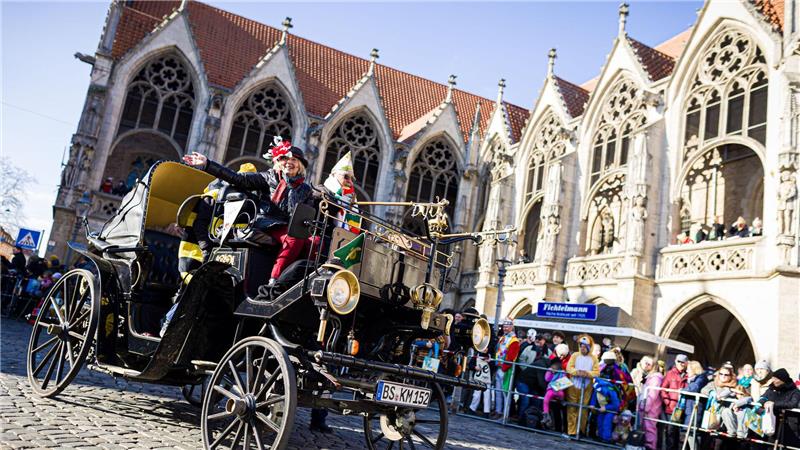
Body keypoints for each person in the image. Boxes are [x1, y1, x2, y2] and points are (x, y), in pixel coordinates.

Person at [182, 141, 317, 286]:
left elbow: (305, 215)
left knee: (315, 242)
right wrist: (207, 164)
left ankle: (306, 281)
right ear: (279, 162)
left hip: (289, 226)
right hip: (268, 224)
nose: (289, 162)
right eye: (285, 158)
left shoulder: (306, 189)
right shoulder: (269, 177)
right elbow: (239, 179)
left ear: (300, 165)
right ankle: (275, 281)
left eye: (294, 160)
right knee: (293, 239)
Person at [565, 334, 599, 436]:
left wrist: (588, 374)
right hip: (573, 385)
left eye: (584, 346)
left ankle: (581, 431)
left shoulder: (594, 359)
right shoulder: (575, 355)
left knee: (583, 410)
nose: (582, 348)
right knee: (572, 408)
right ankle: (571, 431)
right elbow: (569, 368)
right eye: (581, 346)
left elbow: (597, 372)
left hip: (586, 387)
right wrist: (577, 372)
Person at [492, 319, 520, 419]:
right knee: (498, 391)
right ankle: (498, 411)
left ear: (512, 327)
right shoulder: (503, 338)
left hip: (506, 370)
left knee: (505, 392)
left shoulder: (514, 340)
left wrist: (504, 367)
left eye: (507, 326)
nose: (505, 328)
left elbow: (511, 356)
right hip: (499, 367)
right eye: (504, 326)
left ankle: (505, 414)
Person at [660, 354, 688, 449]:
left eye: (683, 362)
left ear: (686, 363)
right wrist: (667, 402)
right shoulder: (670, 373)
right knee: (670, 431)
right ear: (675, 362)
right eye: (679, 361)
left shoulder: (688, 374)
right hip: (672, 408)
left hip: (683, 408)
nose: (681, 364)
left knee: (678, 432)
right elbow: (663, 389)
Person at [591, 366, 622, 442]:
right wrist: (592, 404)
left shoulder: (611, 390)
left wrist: (606, 407)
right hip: (602, 408)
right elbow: (594, 396)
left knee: (607, 423)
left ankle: (606, 438)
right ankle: (601, 436)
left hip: (610, 409)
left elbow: (616, 404)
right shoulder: (597, 387)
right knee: (600, 421)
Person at [639, 366, 664, 450]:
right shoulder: (651, 378)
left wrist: (645, 407)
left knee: (650, 428)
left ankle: (650, 446)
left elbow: (652, 395)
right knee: (646, 427)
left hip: (651, 408)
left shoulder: (655, 379)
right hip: (649, 406)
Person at [541, 358, 567, 429]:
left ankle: (561, 400)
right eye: (554, 365)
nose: (555, 366)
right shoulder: (549, 370)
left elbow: (563, 380)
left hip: (558, 387)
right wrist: (551, 373)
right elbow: (547, 379)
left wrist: (559, 384)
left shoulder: (562, 372)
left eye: (556, 365)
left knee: (561, 394)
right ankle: (546, 414)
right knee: (546, 399)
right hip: (551, 388)